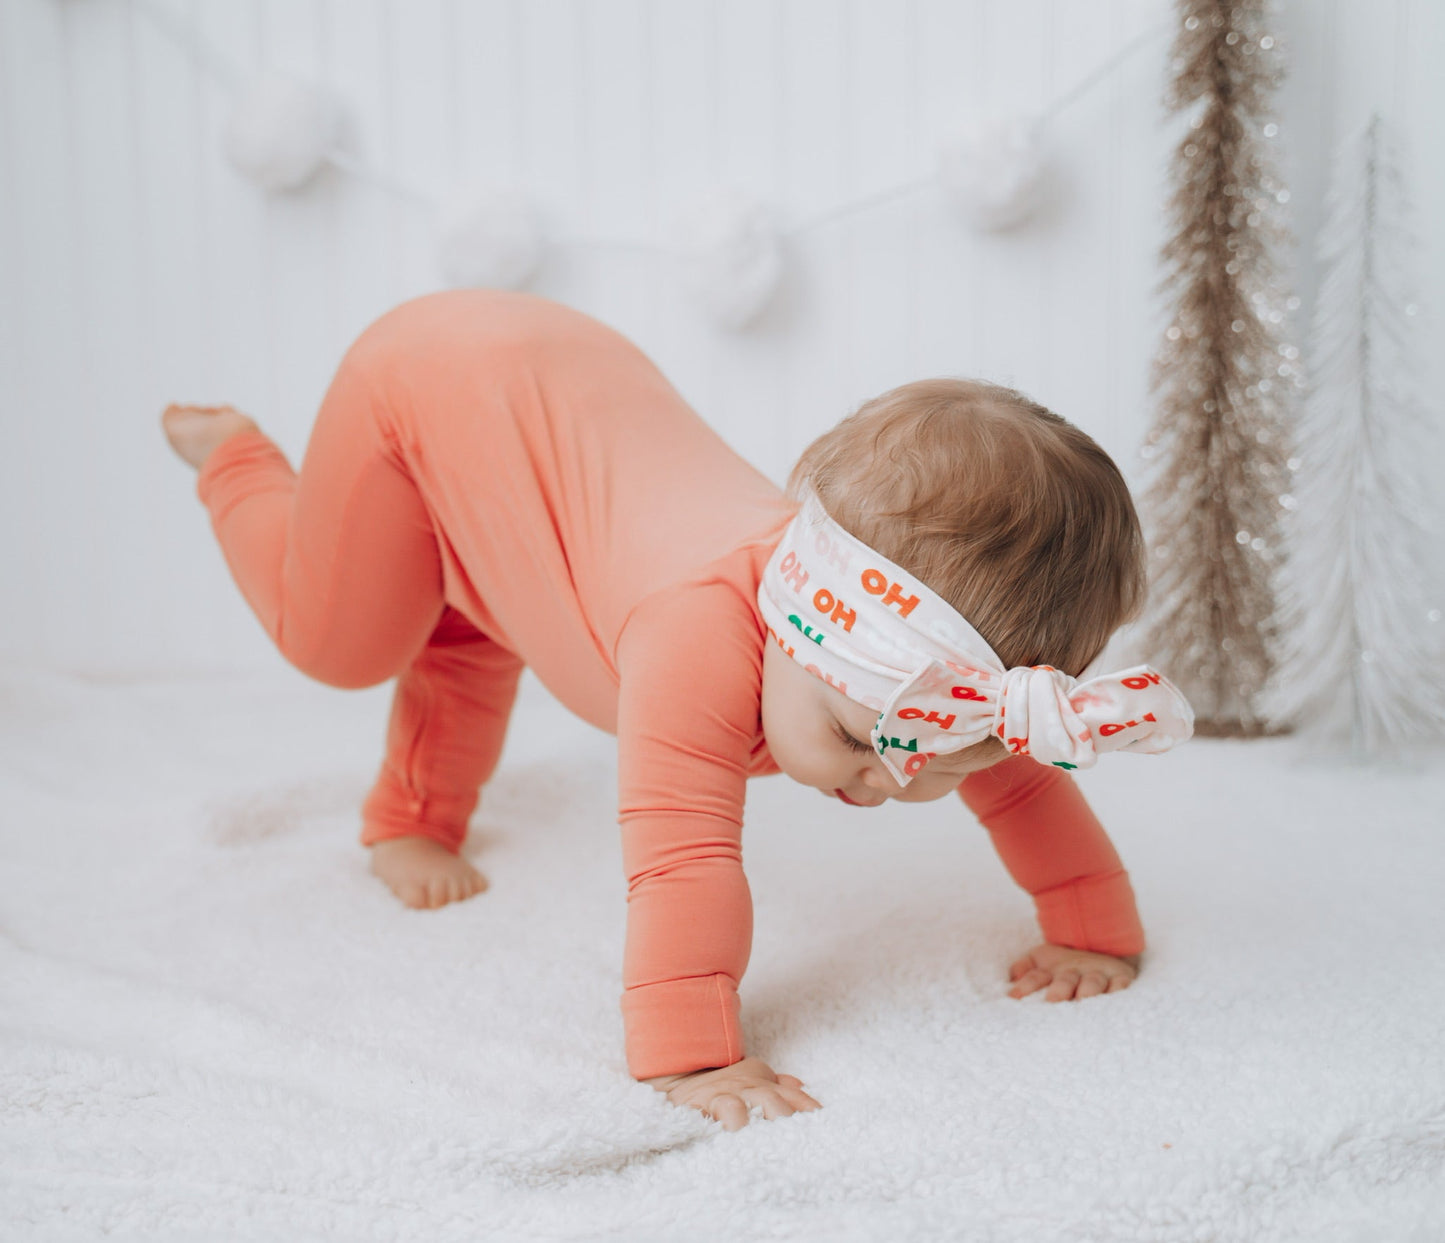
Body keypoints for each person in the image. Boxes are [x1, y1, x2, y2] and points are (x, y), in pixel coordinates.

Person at [160, 289, 1192, 1133]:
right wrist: (696, 1056)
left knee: (478, 620)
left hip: (551, 397)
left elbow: (1022, 786)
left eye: (942, 758)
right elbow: (681, 855)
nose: (890, 780)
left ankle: (410, 814)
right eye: (856, 738)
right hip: (427, 384)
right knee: (342, 644)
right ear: (796, 620)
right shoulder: (694, 634)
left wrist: (1092, 932)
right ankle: (235, 461)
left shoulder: (922, 674)